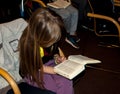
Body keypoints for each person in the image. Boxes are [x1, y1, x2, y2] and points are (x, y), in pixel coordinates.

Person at [18, 8, 74, 94]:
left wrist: (58, 59)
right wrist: (57, 70)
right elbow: (38, 67)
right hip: (33, 71)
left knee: (66, 81)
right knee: (53, 87)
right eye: (51, 40)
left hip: (50, 65)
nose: (54, 42)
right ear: (40, 35)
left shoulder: (49, 38)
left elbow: (54, 52)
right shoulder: (28, 44)